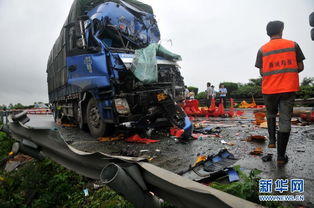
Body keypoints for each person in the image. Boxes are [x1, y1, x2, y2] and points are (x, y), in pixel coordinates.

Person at [255, 20, 305, 165]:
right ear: (281, 30)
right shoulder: (292, 45)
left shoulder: (262, 50)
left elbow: (262, 71)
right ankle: (281, 157)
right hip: (288, 88)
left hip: (269, 89)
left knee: (270, 113)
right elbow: (300, 66)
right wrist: (286, 72)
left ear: (268, 33)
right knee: (285, 120)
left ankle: (271, 141)